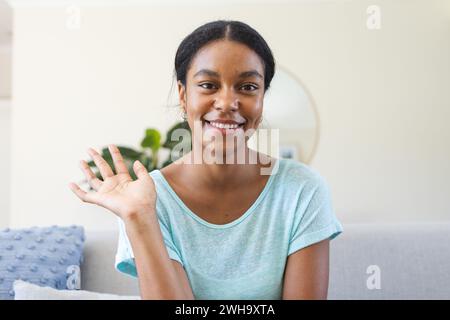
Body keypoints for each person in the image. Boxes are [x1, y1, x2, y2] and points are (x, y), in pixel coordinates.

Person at [69, 20, 343, 300]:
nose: (227, 102)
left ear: (262, 98)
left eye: (248, 87)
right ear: (183, 95)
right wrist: (140, 218)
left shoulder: (302, 190)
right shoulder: (146, 199)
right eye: (208, 85)